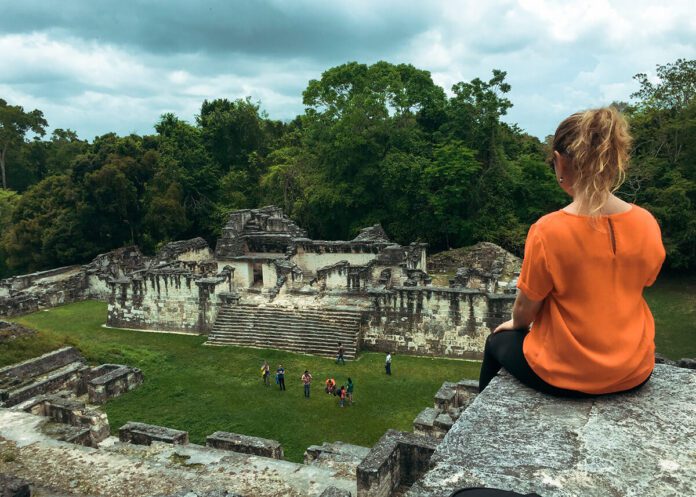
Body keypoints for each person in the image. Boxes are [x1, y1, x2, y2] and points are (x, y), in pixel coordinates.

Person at [478, 107, 666, 397]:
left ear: (559, 161)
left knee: (496, 342)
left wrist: (515, 325)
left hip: (567, 374)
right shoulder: (646, 223)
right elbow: (644, 280)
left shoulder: (548, 230)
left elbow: (526, 310)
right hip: (634, 370)